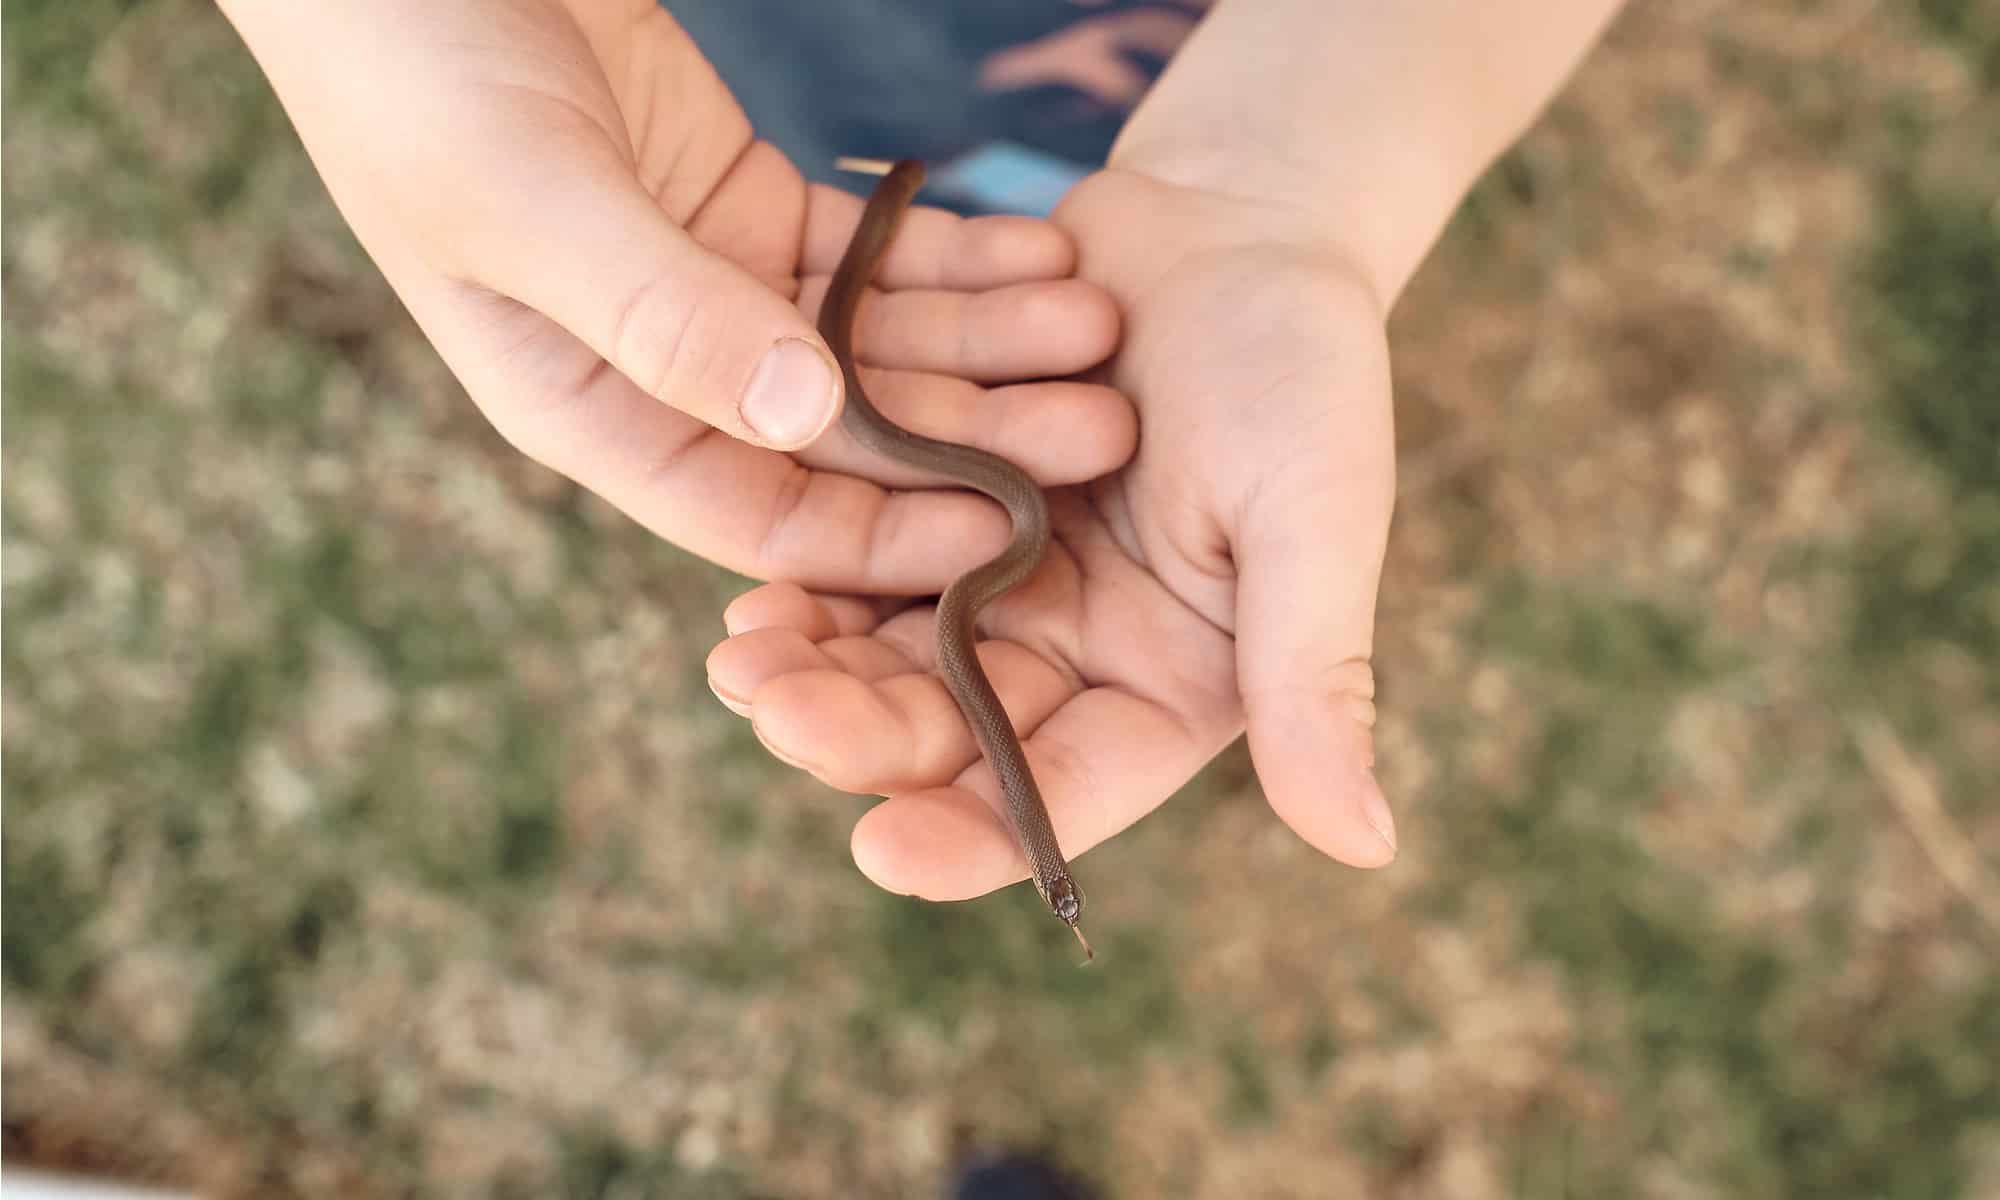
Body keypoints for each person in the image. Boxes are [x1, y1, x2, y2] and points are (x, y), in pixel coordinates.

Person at [218, 0, 1622, 934]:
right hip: (730, 69)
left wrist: (1274, 174)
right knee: (867, 170)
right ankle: (902, 179)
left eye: (1057, 887)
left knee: (990, 227)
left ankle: (928, 180)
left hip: (1209, 72)